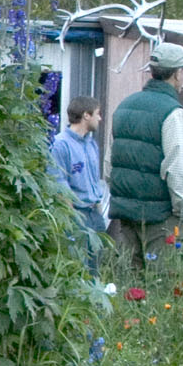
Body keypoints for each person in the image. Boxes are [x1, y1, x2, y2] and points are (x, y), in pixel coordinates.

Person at [107, 42, 183, 264]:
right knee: (165, 286)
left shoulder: (124, 106)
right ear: (176, 74)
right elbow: (176, 169)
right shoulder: (174, 113)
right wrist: (182, 211)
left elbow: (110, 164)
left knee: (127, 286)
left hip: (125, 214)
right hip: (161, 215)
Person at [48, 95, 110, 264]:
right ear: (86, 115)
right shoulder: (61, 145)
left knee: (96, 269)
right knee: (79, 268)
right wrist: (73, 220)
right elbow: (58, 184)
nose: (100, 118)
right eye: (97, 113)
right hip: (76, 215)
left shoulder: (91, 144)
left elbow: (95, 181)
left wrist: (98, 210)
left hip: (94, 215)